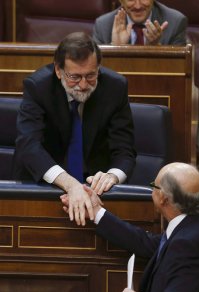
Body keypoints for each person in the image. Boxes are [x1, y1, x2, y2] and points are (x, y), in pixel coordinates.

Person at [13, 31, 136, 226]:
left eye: (91, 75)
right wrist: (71, 185)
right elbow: (28, 146)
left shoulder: (115, 87)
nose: (84, 85)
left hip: (97, 192)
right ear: (58, 70)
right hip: (45, 187)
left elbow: (125, 149)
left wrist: (112, 176)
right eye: (75, 77)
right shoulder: (38, 87)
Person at [61, 162, 199, 292]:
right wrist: (96, 212)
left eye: (154, 186)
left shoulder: (187, 244)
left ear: (163, 197)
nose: (152, 190)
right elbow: (146, 242)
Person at [93, 0, 187, 46]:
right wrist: (116, 48)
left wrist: (155, 48)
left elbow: (178, 74)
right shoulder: (103, 26)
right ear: (121, 1)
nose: (138, 6)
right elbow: (98, 76)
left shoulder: (175, 22)